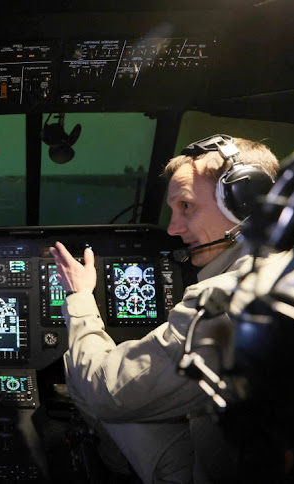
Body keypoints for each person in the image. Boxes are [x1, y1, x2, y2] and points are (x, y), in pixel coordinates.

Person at [50, 135, 281, 483]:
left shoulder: (223, 301)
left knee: (84, 379)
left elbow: (106, 390)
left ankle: (112, 468)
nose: (172, 229)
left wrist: (80, 297)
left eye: (186, 206)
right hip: (256, 452)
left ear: (246, 202)